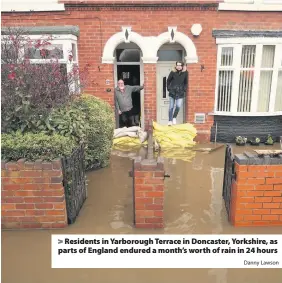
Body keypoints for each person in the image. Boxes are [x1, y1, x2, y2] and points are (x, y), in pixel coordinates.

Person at [166, 61, 188, 126]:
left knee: (178, 106)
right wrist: (169, 88)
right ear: (176, 66)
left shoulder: (185, 73)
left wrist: (184, 89)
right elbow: (168, 80)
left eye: (180, 65)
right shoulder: (173, 72)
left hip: (180, 92)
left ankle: (174, 117)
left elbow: (185, 82)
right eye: (177, 65)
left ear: (182, 66)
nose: (178, 66)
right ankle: (170, 120)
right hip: (172, 92)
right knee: (171, 107)